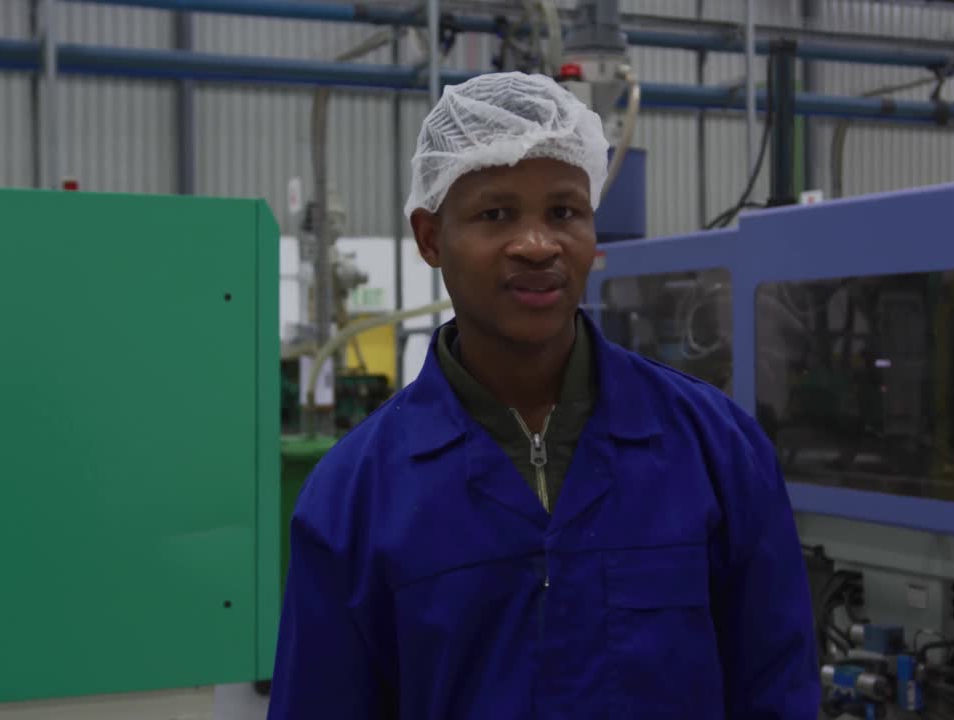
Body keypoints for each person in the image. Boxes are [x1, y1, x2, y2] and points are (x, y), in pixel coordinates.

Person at [268, 71, 820, 719]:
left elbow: (776, 688)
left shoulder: (715, 450)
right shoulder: (355, 497)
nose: (537, 245)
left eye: (564, 212)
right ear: (430, 238)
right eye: (496, 214)